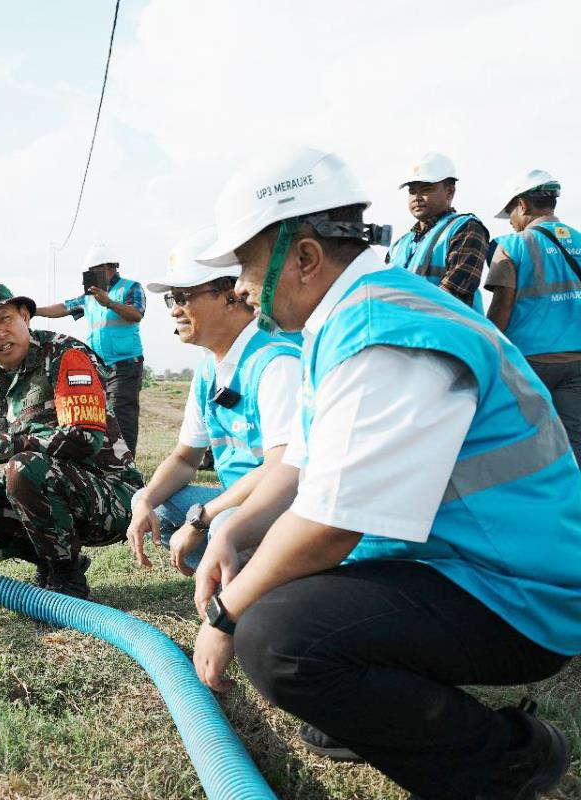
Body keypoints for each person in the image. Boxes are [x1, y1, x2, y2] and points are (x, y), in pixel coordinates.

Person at [187, 145, 578, 800]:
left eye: (247, 270)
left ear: (305, 258)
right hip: (468, 564)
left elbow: (328, 527)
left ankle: (510, 760)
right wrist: (230, 530)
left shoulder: (382, 332)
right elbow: (302, 468)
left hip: (522, 594)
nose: (239, 290)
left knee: (279, 639)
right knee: (264, 561)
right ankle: (374, 714)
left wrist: (225, 615)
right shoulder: (347, 319)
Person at [0, 281, 143, 599]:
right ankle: (56, 559)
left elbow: (85, 437)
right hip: (42, 496)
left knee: (23, 467)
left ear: (25, 316)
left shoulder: (68, 355)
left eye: (5, 319)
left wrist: (1, 446)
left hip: (112, 499)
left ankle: (66, 580)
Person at [126, 231, 300, 574]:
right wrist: (145, 499)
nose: (175, 310)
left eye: (183, 296)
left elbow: (280, 469)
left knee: (225, 525)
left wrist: (202, 519)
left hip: (285, 506)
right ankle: (231, 568)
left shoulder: (276, 364)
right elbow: (185, 458)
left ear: (230, 296)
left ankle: (249, 592)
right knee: (154, 504)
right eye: (171, 299)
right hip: (237, 499)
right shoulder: (209, 369)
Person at [486, 170, 581, 466]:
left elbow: (502, 305)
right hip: (577, 362)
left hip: (529, 363)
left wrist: (488, 348)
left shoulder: (513, 245)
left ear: (523, 206)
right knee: (573, 447)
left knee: (525, 446)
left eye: (511, 213)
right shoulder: (579, 239)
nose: (512, 223)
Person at [35, 244, 147, 456]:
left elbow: (136, 314)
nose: (89, 276)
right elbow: (64, 307)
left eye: (92, 271)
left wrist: (110, 303)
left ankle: (127, 464)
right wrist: (34, 311)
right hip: (98, 365)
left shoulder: (130, 287)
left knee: (122, 415)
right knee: (101, 413)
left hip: (125, 364)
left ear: (108, 267)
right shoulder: (89, 297)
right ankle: (109, 459)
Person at [386, 152, 490, 312]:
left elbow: (454, 293)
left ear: (450, 191)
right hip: (407, 334)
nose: (417, 197)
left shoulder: (466, 228)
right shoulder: (398, 246)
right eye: (412, 191)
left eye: (426, 188)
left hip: (450, 334)